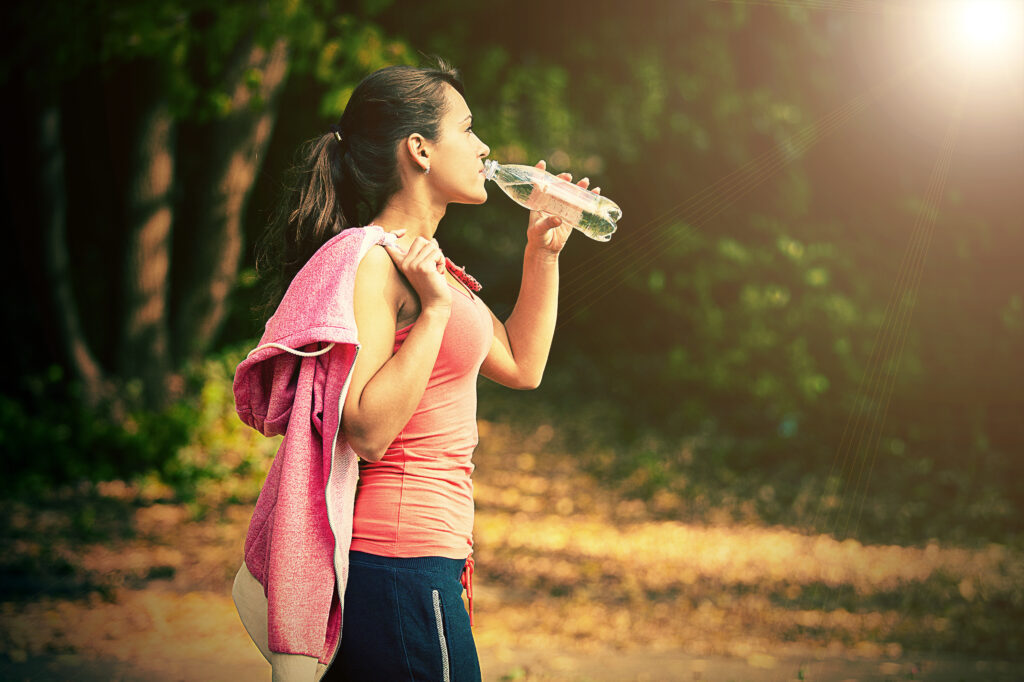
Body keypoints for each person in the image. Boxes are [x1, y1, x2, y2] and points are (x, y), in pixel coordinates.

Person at [232, 57, 599, 682]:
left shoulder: (432, 266)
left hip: (430, 555)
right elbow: (367, 429)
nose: (485, 147)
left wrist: (541, 252)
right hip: (395, 557)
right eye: (469, 127)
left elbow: (521, 364)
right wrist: (431, 313)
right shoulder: (375, 262)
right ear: (420, 149)